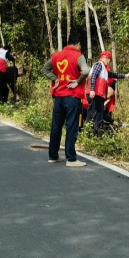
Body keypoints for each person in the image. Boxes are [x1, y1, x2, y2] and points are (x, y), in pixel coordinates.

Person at [41, 31, 90, 167]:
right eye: (80, 45)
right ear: (78, 44)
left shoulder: (56, 55)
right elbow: (85, 71)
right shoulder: (78, 56)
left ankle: (53, 156)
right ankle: (71, 159)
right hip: (72, 97)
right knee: (71, 127)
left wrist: (55, 78)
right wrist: (78, 81)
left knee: (56, 126)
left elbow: (44, 69)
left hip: (58, 97)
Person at [87, 50, 129, 135]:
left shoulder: (103, 69)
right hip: (95, 94)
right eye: (109, 60)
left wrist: (125, 76)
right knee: (94, 116)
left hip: (98, 95)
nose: (109, 62)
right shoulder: (99, 65)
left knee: (98, 116)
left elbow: (113, 75)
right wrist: (92, 89)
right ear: (106, 59)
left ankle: (93, 136)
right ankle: (91, 136)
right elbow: (93, 76)